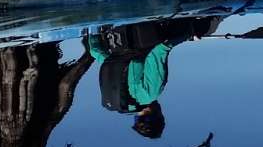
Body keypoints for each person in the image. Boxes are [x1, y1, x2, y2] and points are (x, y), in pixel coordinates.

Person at [84, 17, 222, 139]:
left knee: (204, 28)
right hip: (111, 33)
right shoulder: (115, 99)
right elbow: (95, 51)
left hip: (140, 28)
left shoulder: (150, 94)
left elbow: (159, 50)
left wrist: (187, 36)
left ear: (159, 115)